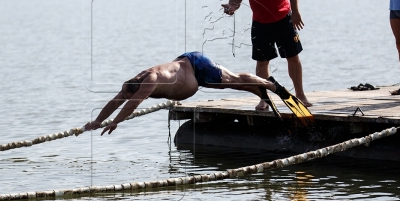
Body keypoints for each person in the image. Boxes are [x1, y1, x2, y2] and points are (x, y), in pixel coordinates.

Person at [84, 51, 280, 135]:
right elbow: (117, 100)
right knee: (236, 85)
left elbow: (132, 104)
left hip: (196, 65)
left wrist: (116, 121)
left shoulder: (150, 80)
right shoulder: (132, 83)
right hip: (189, 71)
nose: (125, 97)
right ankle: (263, 95)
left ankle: (270, 85)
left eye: (131, 96)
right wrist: (98, 120)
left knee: (235, 80)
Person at [221, 0, 310, 110]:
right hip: (260, 23)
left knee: (292, 57)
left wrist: (296, 12)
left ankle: (300, 95)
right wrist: (231, 6)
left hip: (283, 18)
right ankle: (265, 99)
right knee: (262, 62)